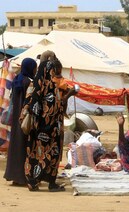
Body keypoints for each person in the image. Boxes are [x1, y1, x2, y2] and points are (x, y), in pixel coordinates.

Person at [23, 57, 78, 192]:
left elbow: (28, 105)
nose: (54, 74)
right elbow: (55, 108)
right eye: (53, 71)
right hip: (50, 131)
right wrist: (69, 95)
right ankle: (51, 184)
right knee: (51, 155)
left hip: (36, 130)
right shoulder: (51, 88)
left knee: (35, 155)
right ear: (49, 71)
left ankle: (32, 181)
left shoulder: (34, 85)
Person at [3, 58, 37, 186]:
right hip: (24, 119)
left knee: (15, 147)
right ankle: (22, 177)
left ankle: (14, 176)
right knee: (23, 147)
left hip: (16, 118)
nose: (35, 70)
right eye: (34, 68)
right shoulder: (28, 82)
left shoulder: (17, 79)